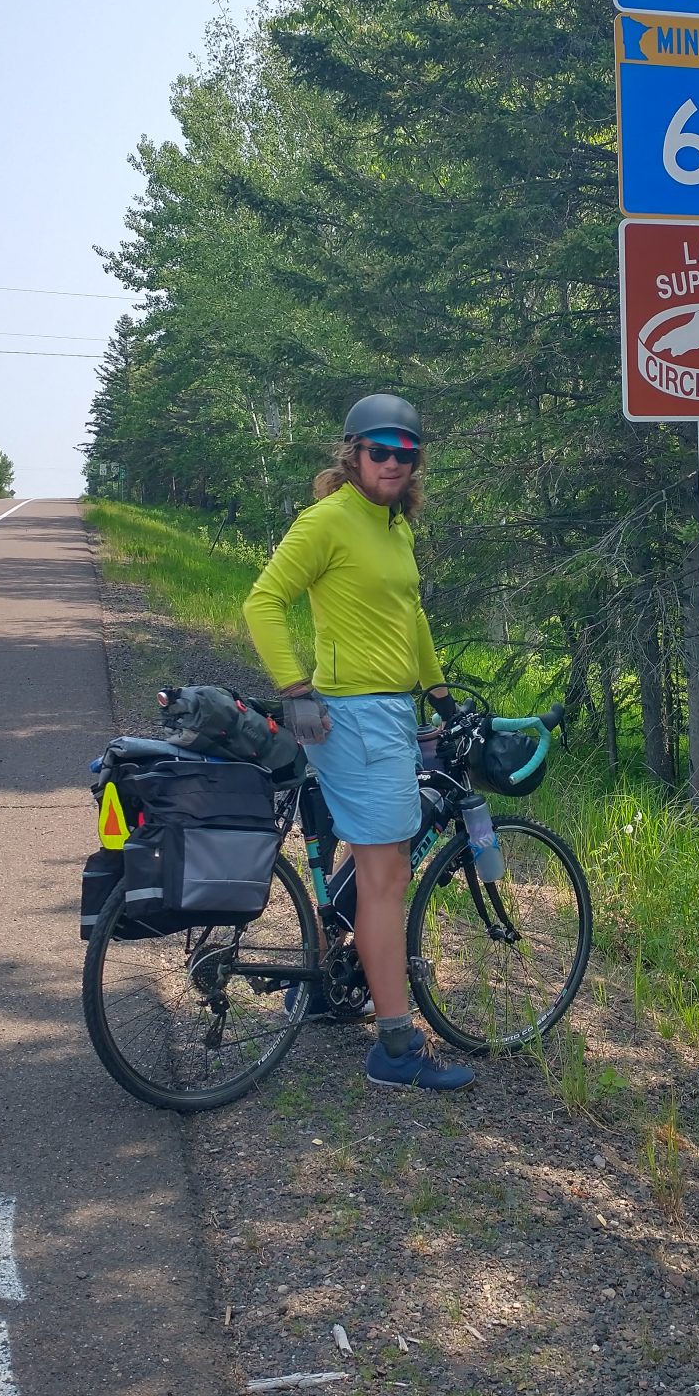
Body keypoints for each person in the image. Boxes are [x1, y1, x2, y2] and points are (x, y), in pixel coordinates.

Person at [242, 394, 474, 1092]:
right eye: (380, 450)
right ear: (352, 454)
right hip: (355, 715)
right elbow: (263, 602)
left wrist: (437, 692)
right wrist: (296, 690)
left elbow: (411, 614)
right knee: (385, 880)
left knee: (378, 870)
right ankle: (396, 1049)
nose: (394, 463)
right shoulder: (331, 520)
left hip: (391, 713)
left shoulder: (394, 527)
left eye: (406, 453)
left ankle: (321, 990)